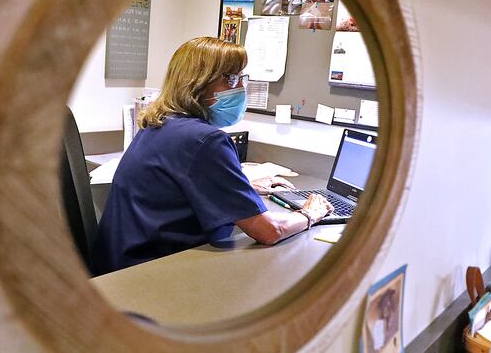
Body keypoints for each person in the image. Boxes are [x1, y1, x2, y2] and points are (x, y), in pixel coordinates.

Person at [91, 37, 333, 275]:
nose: (240, 89)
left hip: (119, 265)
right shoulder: (205, 140)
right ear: (199, 83)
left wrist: (242, 187)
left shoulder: (159, 123)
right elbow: (270, 232)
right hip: (151, 272)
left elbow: (177, 187)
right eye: (232, 79)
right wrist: (310, 213)